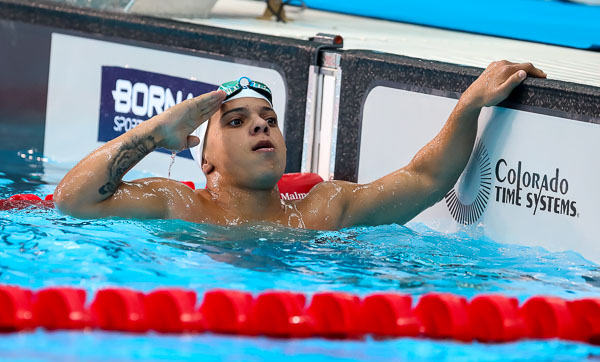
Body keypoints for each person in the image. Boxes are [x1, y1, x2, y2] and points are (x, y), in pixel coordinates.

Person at [54, 61, 546, 230]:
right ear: (205, 158)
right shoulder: (177, 204)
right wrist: (152, 134)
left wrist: (469, 104)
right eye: (238, 121)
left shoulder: (319, 209)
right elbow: (72, 201)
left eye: (269, 119)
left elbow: (426, 179)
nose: (261, 127)